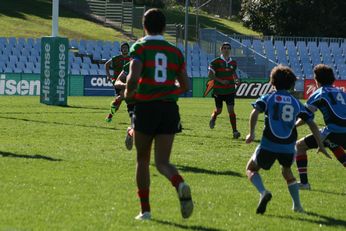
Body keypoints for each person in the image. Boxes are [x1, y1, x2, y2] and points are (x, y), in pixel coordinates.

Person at [125, 8, 193, 220]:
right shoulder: (175, 51)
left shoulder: (140, 46)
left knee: (143, 160)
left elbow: (133, 76)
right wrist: (168, 92)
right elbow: (185, 85)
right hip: (169, 109)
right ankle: (179, 183)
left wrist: (129, 94)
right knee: (163, 162)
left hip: (146, 108)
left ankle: (145, 210)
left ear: (144, 25)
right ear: (164, 27)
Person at [245, 65, 328, 214]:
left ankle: (263, 192)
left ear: (272, 82)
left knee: (251, 169)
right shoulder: (296, 102)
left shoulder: (269, 97)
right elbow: (312, 124)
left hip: (269, 144)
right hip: (288, 147)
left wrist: (251, 133)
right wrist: (320, 145)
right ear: (291, 84)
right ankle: (297, 206)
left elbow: (255, 112)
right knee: (287, 172)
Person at [296, 64, 346, 190]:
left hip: (334, 130)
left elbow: (306, 116)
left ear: (316, 80)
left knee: (300, 146)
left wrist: (293, 126)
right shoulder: (341, 92)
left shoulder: (319, 93)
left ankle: (304, 183)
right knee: (331, 142)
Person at [208, 42, 241, 139]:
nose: (226, 50)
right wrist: (221, 81)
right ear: (221, 49)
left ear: (230, 50)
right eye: (224, 48)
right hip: (218, 91)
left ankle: (235, 131)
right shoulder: (216, 62)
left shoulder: (233, 63)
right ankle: (214, 117)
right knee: (219, 110)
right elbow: (210, 75)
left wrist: (236, 79)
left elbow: (233, 73)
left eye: (228, 48)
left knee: (231, 110)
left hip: (230, 90)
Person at [104, 42, 131, 122]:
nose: (125, 49)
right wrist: (108, 76)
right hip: (118, 83)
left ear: (128, 49)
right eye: (123, 48)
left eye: (126, 47)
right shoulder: (116, 58)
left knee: (121, 100)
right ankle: (110, 115)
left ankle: (110, 116)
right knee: (121, 100)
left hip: (128, 83)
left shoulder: (131, 59)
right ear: (121, 49)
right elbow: (106, 65)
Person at [114, 61, 135, 150]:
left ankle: (131, 131)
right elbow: (117, 82)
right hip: (132, 100)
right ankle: (110, 116)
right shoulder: (128, 65)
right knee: (116, 103)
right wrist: (127, 86)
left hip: (147, 98)